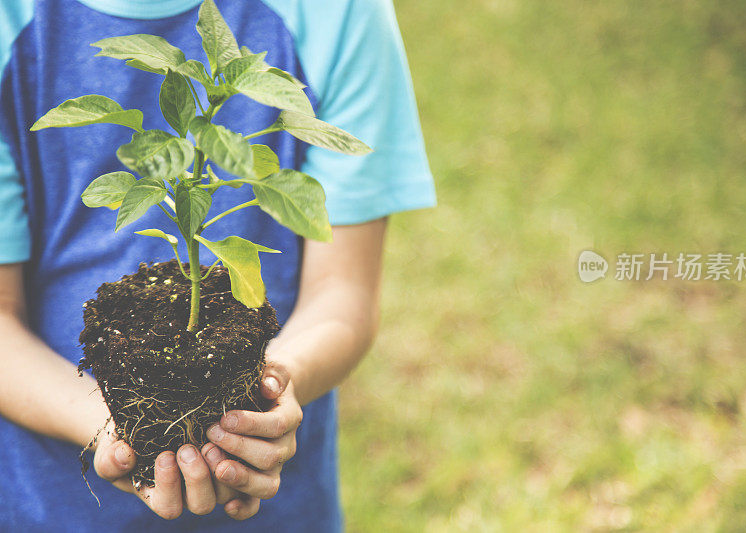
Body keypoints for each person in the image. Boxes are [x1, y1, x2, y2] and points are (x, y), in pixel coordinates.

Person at [0, 0, 435, 530]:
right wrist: (105, 425)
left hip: (279, 504)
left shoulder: (335, 11)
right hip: (49, 503)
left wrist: (270, 394)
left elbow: (344, 291)